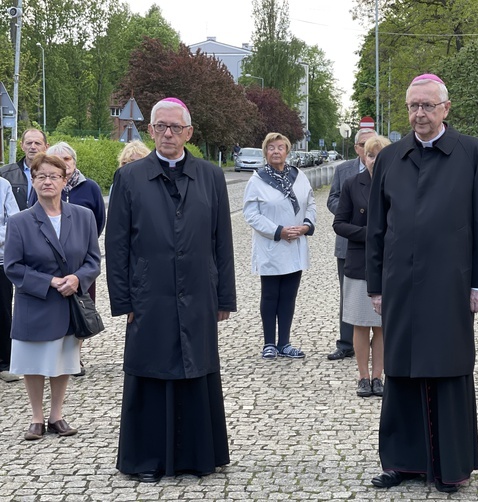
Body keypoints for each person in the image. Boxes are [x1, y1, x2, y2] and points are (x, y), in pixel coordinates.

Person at [366, 74, 478, 493]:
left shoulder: (473, 153)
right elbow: (376, 227)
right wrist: (375, 284)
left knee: (448, 368)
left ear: (445, 108)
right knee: (401, 368)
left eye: (427, 105)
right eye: (412, 106)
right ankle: (401, 462)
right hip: (400, 283)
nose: (419, 114)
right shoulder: (391, 159)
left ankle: (451, 466)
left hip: (450, 282)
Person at [106, 97, 236, 483]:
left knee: (196, 369)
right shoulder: (129, 179)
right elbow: (116, 245)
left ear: (189, 133)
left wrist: (224, 297)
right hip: (149, 294)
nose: (167, 133)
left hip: (199, 292)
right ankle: (146, 459)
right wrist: (123, 300)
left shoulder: (211, 176)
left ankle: (197, 456)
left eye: (175, 127)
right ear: (150, 131)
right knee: (151, 370)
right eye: (160, 126)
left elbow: (222, 241)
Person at [4, 152, 101, 440]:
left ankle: (57, 415)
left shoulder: (83, 217)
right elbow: (13, 267)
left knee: (62, 361)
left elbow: (93, 260)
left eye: (54, 176)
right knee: (34, 363)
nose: (48, 181)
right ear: (32, 181)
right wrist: (49, 281)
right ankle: (36, 418)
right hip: (36, 301)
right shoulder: (20, 221)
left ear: (65, 180)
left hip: (68, 302)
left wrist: (77, 278)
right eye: (41, 176)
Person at [30, 142, 106, 378]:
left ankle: (75, 357)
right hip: (47, 262)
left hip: (80, 263)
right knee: (52, 311)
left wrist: (81, 248)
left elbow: (99, 221)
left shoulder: (89, 187)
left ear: (74, 162)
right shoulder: (42, 186)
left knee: (80, 311)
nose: (63, 162)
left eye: (67, 159)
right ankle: (51, 357)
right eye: (56, 159)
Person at [243, 132, 316, 360]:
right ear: (266, 152)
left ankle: (284, 342)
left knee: (289, 296)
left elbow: (311, 202)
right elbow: (251, 214)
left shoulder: (299, 176)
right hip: (272, 246)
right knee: (270, 296)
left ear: (287, 151)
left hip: (295, 245)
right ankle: (269, 343)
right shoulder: (257, 179)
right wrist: (278, 231)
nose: (276, 151)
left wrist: (305, 225)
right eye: (271, 148)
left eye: (280, 147)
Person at [333, 135, 390, 398]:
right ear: (363, 156)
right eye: (370, 154)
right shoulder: (351, 184)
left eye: (380, 155)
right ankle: (363, 377)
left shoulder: (397, 184)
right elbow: (339, 223)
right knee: (360, 323)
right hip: (359, 262)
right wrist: (368, 233)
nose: (374, 160)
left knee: (381, 325)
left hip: (389, 263)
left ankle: (378, 376)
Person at [326, 128, 377, 361]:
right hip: (349, 242)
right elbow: (333, 199)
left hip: (378, 246)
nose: (369, 149)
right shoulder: (343, 170)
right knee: (349, 296)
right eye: (364, 145)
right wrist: (352, 211)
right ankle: (346, 343)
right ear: (357, 148)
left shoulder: (386, 170)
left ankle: (378, 348)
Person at [0, 177, 20, 383]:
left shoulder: (3, 185)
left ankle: (5, 362)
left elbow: (13, 221)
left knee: (3, 311)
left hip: (0, 260)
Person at [0, 129, 49, 210]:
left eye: (37, 143)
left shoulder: (54, 175)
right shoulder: (5, 174)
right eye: (29, 143)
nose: (33, 147)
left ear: (46, 147)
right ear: (22, 146)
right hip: (14, 221)